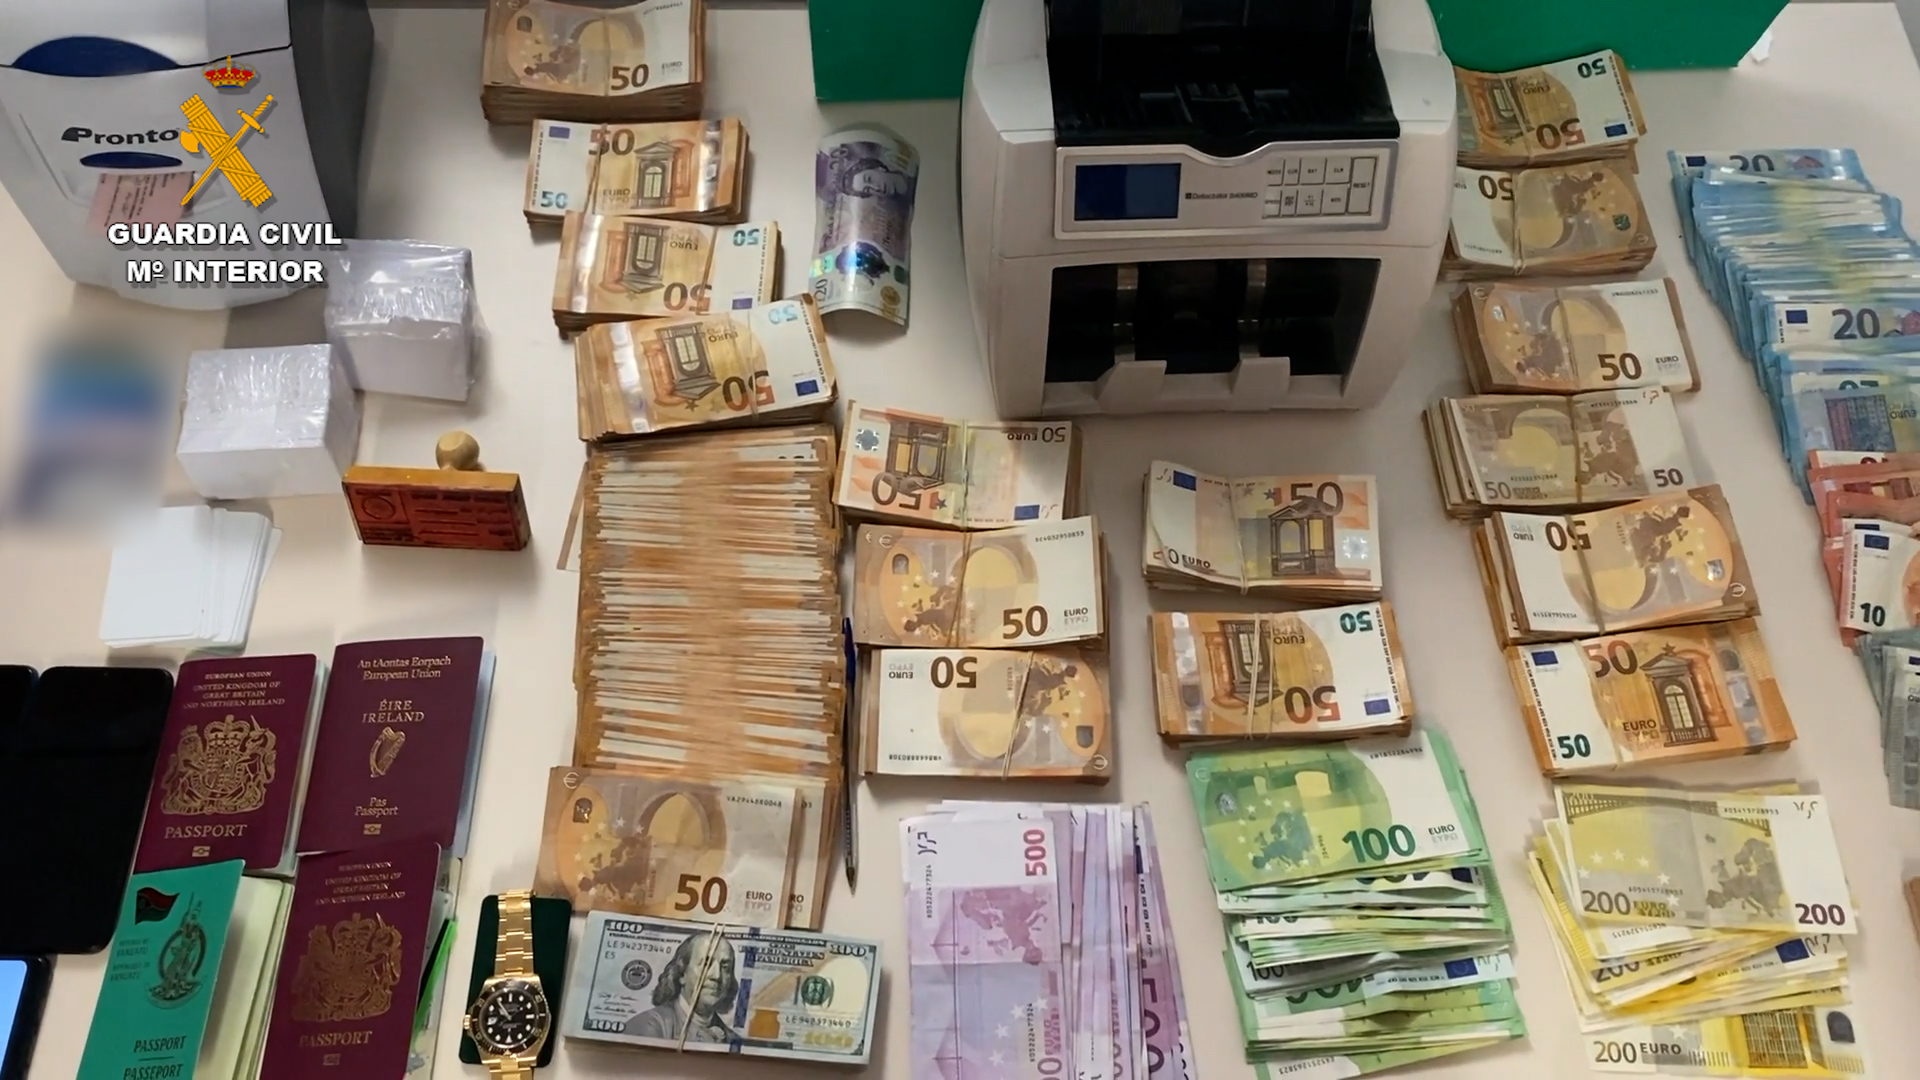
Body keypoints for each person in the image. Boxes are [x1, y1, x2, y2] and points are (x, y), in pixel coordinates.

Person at [624, 932, 739, 1043]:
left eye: (725, 967)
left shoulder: (733, 1040)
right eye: (706, 964)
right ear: (682, 973)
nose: (717, 975)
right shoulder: (649, 1026)